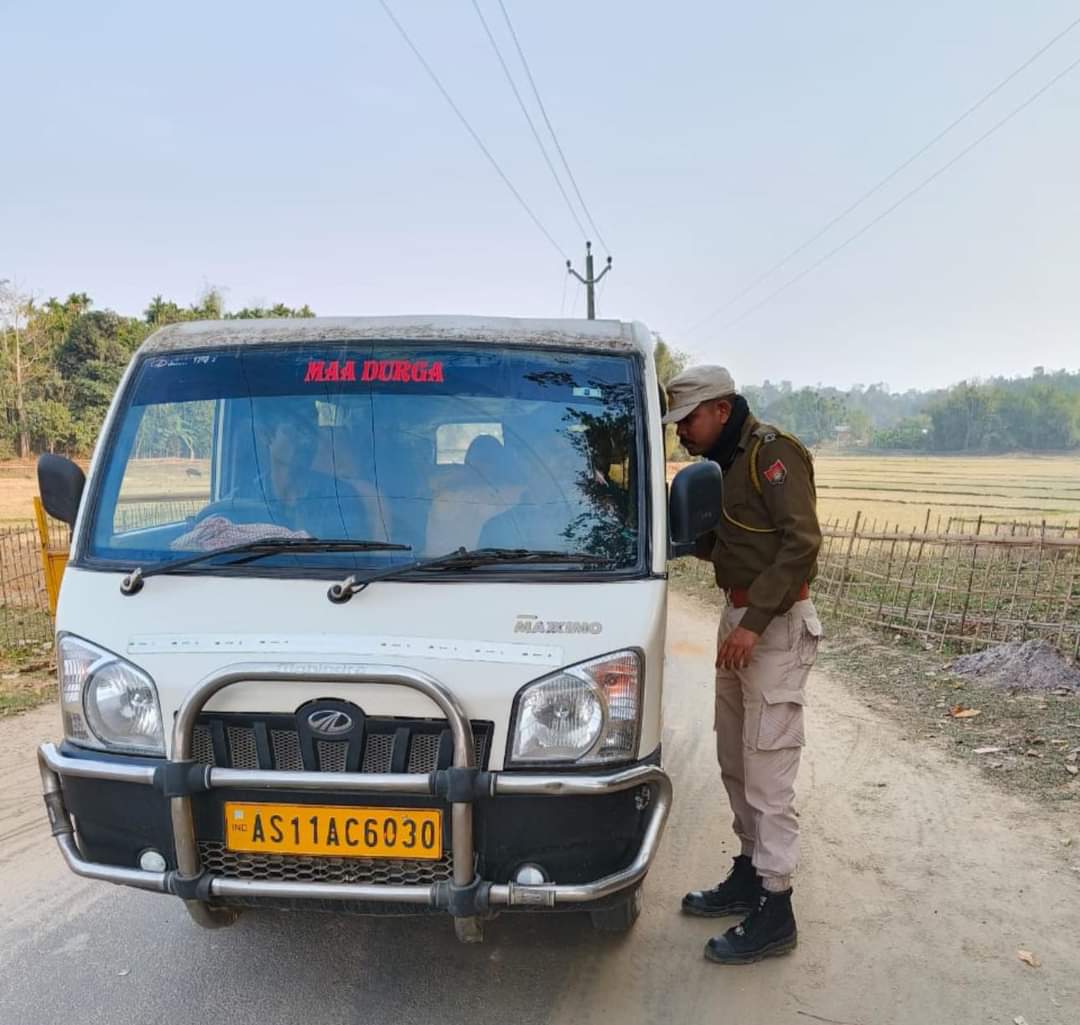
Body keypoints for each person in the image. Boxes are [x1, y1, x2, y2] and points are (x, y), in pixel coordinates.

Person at [664, 365, 822, 965]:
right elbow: (724, 542)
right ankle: (751, 872)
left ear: (722, 409)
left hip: (773, 625)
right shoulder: (721, 469)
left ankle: (777, 909)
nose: (683, 432)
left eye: (690, 419)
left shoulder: (771, 454)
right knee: (734, 757)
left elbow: (801, 542)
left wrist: (753, 623)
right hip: (740, 622)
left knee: (768, 769)